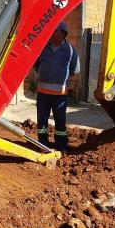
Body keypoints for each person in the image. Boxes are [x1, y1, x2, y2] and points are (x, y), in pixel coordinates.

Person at [33, 20, 80, 152]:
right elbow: (36, 64)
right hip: (43, 92)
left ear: (62, 33)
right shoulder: (43, 47)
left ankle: (61, 145)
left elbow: (75, 70)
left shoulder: (70, 50)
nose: (51, 33)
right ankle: (43, 144)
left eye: (55, 31)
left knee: (60, 121)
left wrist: (62, 78)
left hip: (59, 94)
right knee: (42, 120)